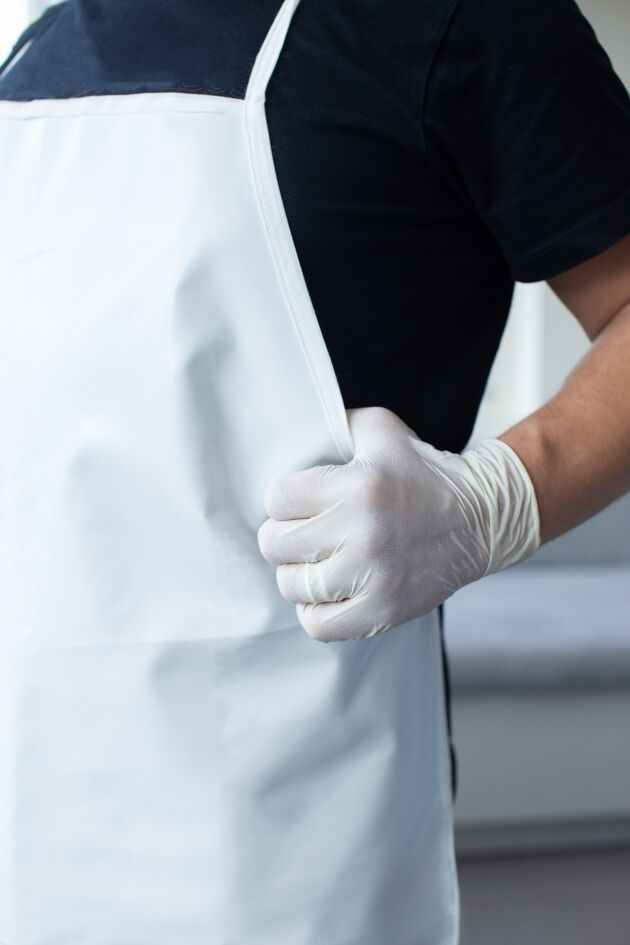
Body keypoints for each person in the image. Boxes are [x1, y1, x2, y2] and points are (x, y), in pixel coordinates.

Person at [0, 1, 628, 943]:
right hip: (29, 820)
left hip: (289, 838)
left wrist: (491, 500)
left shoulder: (462, 21)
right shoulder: (39, 54)